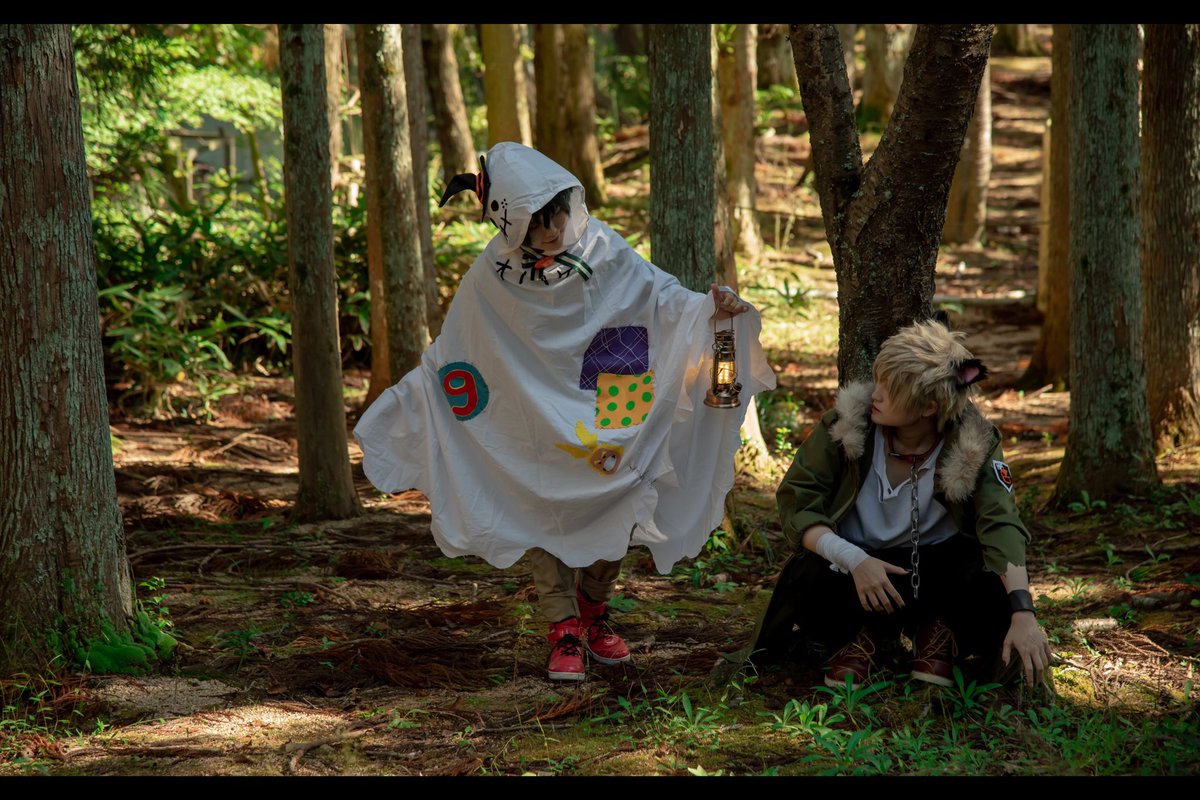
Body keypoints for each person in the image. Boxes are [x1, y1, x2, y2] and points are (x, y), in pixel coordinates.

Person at [354, 142, 775, 681]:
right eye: (536, 224)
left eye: (555, 217)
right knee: (539, 502)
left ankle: (595, 611)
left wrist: (711, 311)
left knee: (619, 491)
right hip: (530, 409)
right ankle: (564, 628)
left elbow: (660, 297)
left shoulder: (603, 248)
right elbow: (463, 345)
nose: (552, 232)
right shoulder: (492, 273)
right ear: (513, 226)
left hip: (611, 394)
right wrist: (421, 393)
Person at [745, 319, 1051, 689]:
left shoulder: (973, 442)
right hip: (854, 574)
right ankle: (859, 637)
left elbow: (1000, 523)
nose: (875, 394)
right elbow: (798, 502)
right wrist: (854, 559)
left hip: (935, 575)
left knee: (985, 574)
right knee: (808, 571)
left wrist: (1023, 612)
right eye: (878, 380)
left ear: (928, 407)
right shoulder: (845, 428)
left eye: (889, 389)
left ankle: (938, 631)